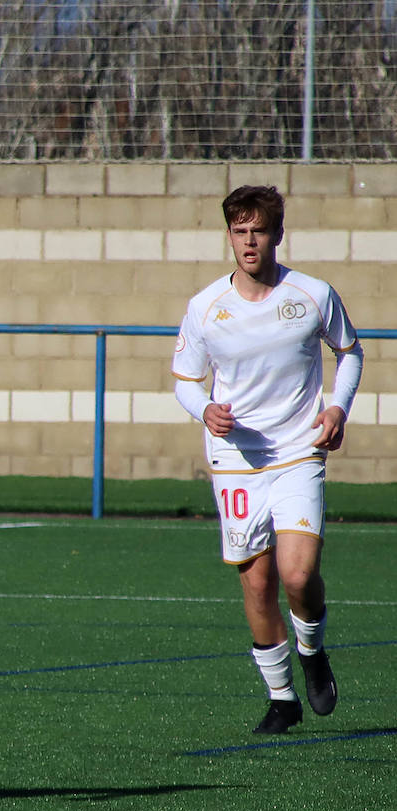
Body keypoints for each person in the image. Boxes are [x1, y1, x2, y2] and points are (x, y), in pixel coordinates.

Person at [172, 185, 363, 736]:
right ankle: (282, 699)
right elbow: (185, 378)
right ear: (229, 236)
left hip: (299, 450)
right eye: (239, 230)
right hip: (235, 461)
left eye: (258, 230)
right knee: (257, 585)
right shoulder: (205, 307)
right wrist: (204, 408)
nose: (249, 240)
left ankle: (312, 651)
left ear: (278, 234)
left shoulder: (313, 294)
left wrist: (336, 409)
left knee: (297, 574)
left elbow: (349, 352)